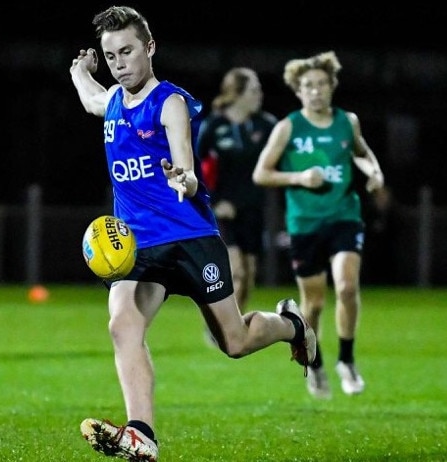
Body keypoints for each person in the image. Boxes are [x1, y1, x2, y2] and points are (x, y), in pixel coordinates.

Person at [69, 6, 316, 462]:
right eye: (110, 55)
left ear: (150, 48)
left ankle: (291, 325)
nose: (119, 63)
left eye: (127, 51)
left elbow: (186, 165)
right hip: (137, 245)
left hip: (189, 237)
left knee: (234, 343)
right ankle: (142, 434)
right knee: (123, 324)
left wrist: (183, 179)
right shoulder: (115, 101)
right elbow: (91, 97)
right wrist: (79, 71)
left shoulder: (171, 103)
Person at [252, 51, 385, 399]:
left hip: (344, 215)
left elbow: (361, 152)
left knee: (346, 287)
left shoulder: (347, 121)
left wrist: (374, 171)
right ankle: (316, 363)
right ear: (299, 90)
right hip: (304, 223)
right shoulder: (289, 127)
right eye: (309, 86)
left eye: (322, 84)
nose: (316, 91)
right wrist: (299, 176)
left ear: (332, 86)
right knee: (312, 303)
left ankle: (347, 360)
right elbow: (261, 173)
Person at [196, 67, 277, 320]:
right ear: (237, 93)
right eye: (254, 90)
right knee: (236, 270)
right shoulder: (214, 126)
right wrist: (215, 201)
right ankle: (219, 324)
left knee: (249, 274)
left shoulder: (266, 125)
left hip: (252, 209)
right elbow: (193, 166)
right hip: (223, 211)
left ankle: (234, 329)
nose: (260, 95)